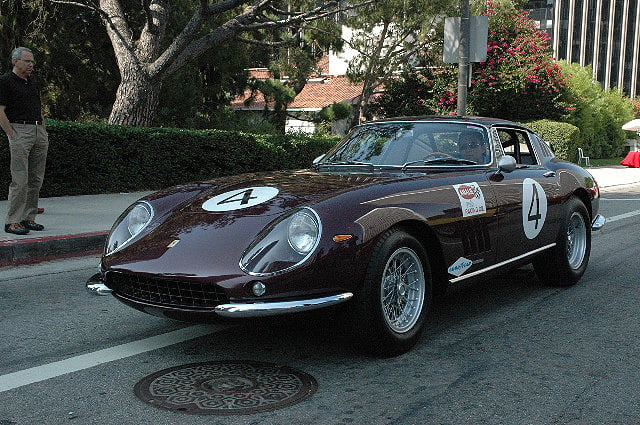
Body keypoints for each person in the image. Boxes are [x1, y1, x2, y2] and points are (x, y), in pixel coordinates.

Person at [0, 47, 48, 235]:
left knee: (35, 178)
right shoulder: (5, 82)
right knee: (20, 178)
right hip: (19, 130)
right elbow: (0, 110)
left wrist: (43, 129)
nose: (31, 65)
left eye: (33, 62)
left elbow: (38, 108)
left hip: (38, 131)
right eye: (27, 61)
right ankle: (13, 221)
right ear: (15, 61)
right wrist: (11, 133)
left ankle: (29, 218)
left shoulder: (32, 83)